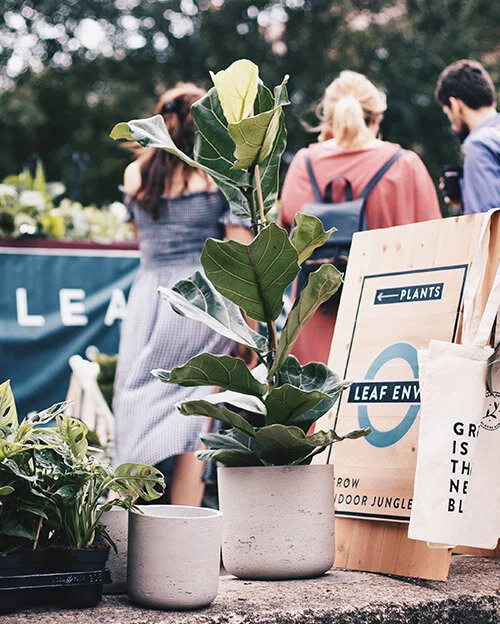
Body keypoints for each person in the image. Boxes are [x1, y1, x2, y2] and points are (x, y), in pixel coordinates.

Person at [113, 83, 251, 505]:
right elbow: (241, 255)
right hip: (202, 300)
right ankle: (185, 519)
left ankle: (129, 511)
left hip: (149, 299)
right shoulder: (218, 173)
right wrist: (251, 328)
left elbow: (142, 237)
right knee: (198, 406)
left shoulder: (136, 174)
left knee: (138, 398)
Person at [279, 70, 441, 365]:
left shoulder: (302, 165)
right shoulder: (404, 166)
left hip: (310, 336)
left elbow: (281, 252)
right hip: (387, 342)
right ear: (376, 118)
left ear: (327, 118)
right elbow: (437, 253)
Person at [435, 59, 500, 214]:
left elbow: (489, 223)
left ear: (455, 105)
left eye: (448, 113)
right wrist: (468, 198)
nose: (452, 125)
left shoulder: (479, 146)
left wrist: (473, 204)